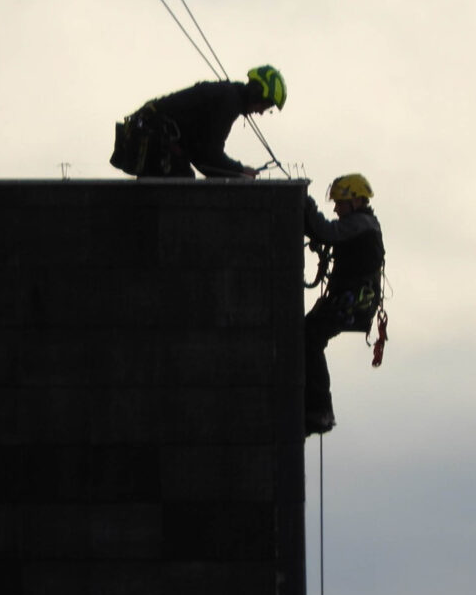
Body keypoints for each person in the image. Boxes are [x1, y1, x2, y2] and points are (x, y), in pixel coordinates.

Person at [303, 173, 385, 436]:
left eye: (340, 203)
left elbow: (326, 231)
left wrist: (304, 204)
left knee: (309, 338)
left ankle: (320, 410)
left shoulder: (361, 224)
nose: (336, 208)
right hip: (349, 300)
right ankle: (314, 408)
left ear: (357, 201)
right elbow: (324, 233)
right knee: (307, 337)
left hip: (352, 302)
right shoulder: (362, 224)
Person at [111, 65, 287, 178]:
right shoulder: (228, 102)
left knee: (182, 184)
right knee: (183, 189)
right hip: (154, 139)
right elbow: (209, 156)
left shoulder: (227, 96)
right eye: (266, 104)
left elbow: (202, 156)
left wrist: (236, 172)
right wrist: (240, 171)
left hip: (149, 136)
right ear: (257, 92)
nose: (262, 112)